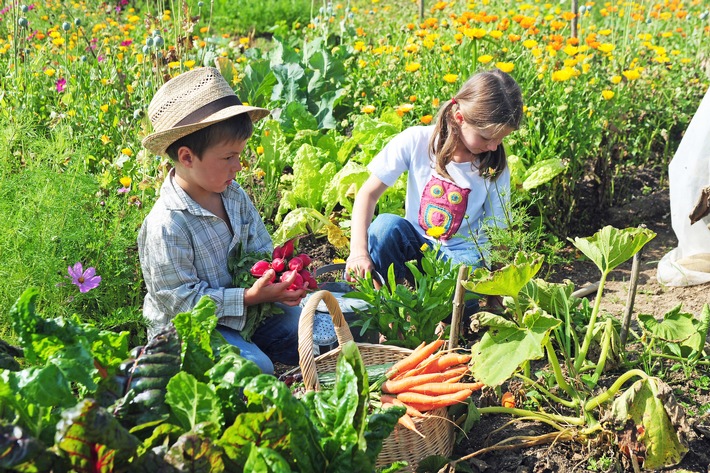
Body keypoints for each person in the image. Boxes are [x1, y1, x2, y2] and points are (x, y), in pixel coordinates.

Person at [138, 67, 305, 374]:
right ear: (187, 157)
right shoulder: (168, 224)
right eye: (229, 157)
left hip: (250, 307)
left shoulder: (233, 195)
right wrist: (247, 296)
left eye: (239, 155)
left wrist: (276, 280)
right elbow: (182, 303)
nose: (238, 166)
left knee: (312, 329)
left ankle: (267, 349)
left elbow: (260, 247)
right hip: (193, 330)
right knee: (255, 371)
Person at [345, 69, 523, 304]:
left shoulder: (493, 165)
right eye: (486, 137)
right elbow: (367, 195)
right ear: (459, 118)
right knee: (385, 227)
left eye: (501, 139)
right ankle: (390, 306)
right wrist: (358, 252)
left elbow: (499, 233)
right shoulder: (416, 141)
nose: (493, 146)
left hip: (461, 260)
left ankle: (443, 317)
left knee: (465, 276)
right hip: (417, 247)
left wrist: (496, 298)